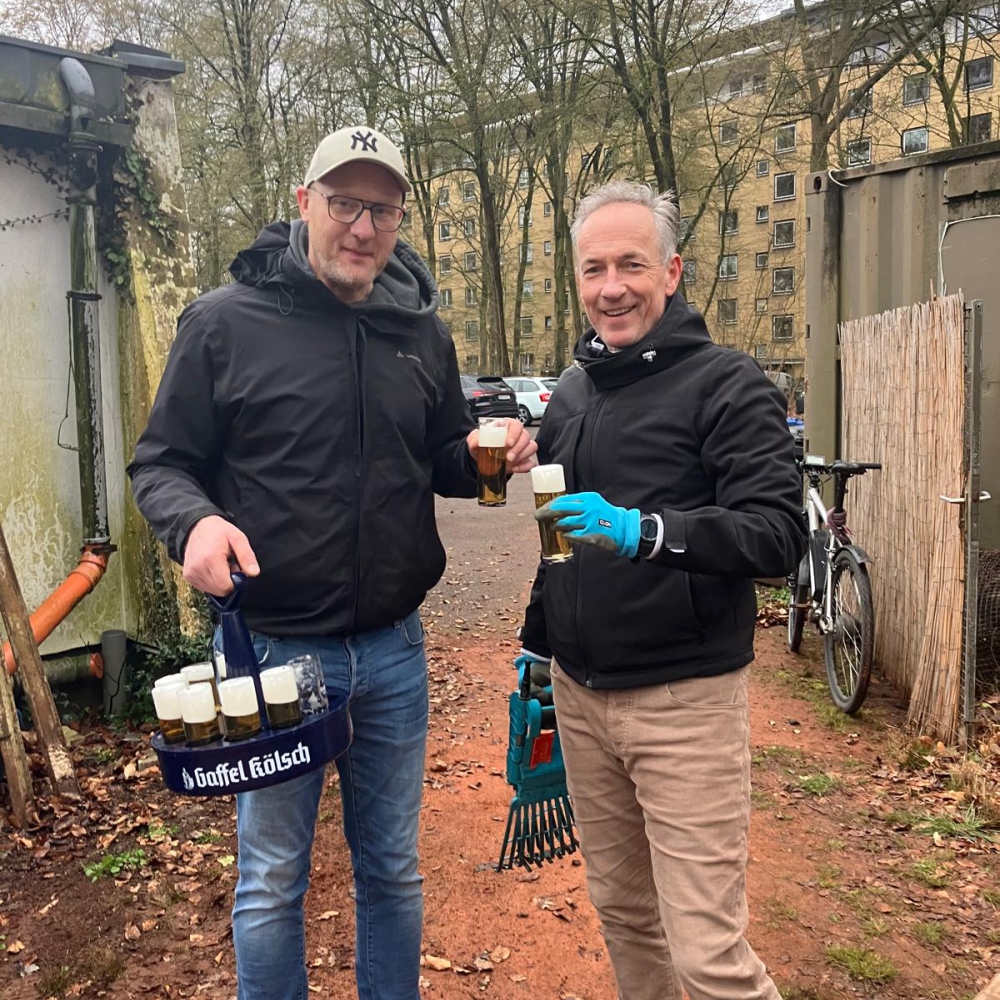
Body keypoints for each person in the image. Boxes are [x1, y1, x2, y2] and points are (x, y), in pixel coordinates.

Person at [128, 125, 536, 1000]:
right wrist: (194, 524)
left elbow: (440, 458)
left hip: (393, 651)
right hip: (276, 654)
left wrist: (489, 455)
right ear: (304, 203)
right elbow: (161, 464)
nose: (362, 227)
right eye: (345, 203)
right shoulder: (222, 324)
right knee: (273, 879)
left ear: (399, 221)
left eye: (382, 210)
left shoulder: (420, 334)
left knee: (392, 869)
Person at [518, 180, 807, 1000]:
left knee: (707, 954)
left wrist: (645, 531)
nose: (611, 287)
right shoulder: (573, 393)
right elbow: (557, 543)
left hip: (684, 703)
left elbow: (777, 536)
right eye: (594, 269)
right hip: (580, 696)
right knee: (624, 913)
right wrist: (538, 648)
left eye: (631, 265)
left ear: (672, 272)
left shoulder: (728, 384)